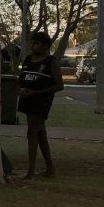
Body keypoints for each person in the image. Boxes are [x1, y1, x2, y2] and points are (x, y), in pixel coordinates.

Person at [18, 31, 64, 178]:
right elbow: (21, 79)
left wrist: (37, 92)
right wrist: (22, 90)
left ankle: (30, 170)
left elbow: (59, 85)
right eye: (32, 43)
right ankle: (50, 168)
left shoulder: (51, 61)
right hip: (27, 100)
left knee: (32, 131)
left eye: (36, 44)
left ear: (45, 45)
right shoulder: (28, 59)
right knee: (40, 133)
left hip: (41, 102)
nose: (33, 46)